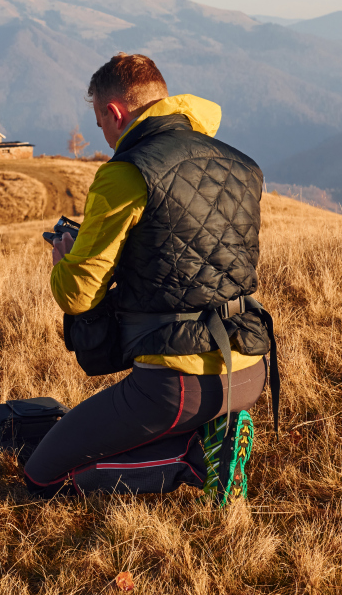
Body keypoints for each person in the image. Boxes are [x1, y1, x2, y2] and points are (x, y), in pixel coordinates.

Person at [23, 53, 278, 505]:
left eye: (100, 122)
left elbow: (78, 296)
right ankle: (214, 431)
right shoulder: (241, 164)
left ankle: (197, 458)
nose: (103, 136)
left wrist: (66, 260)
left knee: (43, 476)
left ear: (115, 113)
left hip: (176, 386)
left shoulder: (126, 173)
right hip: (248, 370)